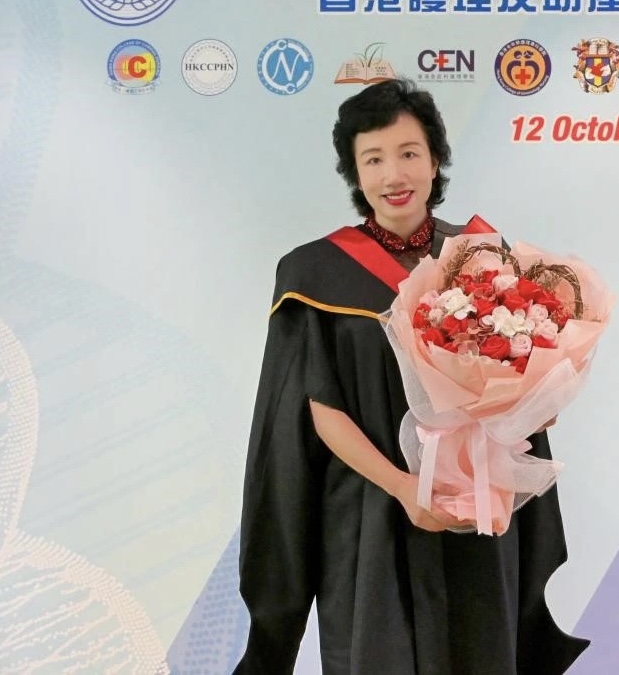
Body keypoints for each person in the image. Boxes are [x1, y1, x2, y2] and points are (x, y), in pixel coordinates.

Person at [235, 78, 589, 675]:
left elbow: (521, 381)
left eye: (408, 153)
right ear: (354, 171)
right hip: (369, 509)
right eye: (373, 158)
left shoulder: (482, 259)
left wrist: (535, 404)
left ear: (434, 160)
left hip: (472, 502)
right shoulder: (314, 273)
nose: (393, 174)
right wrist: (404, 488)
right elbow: (320, 410)